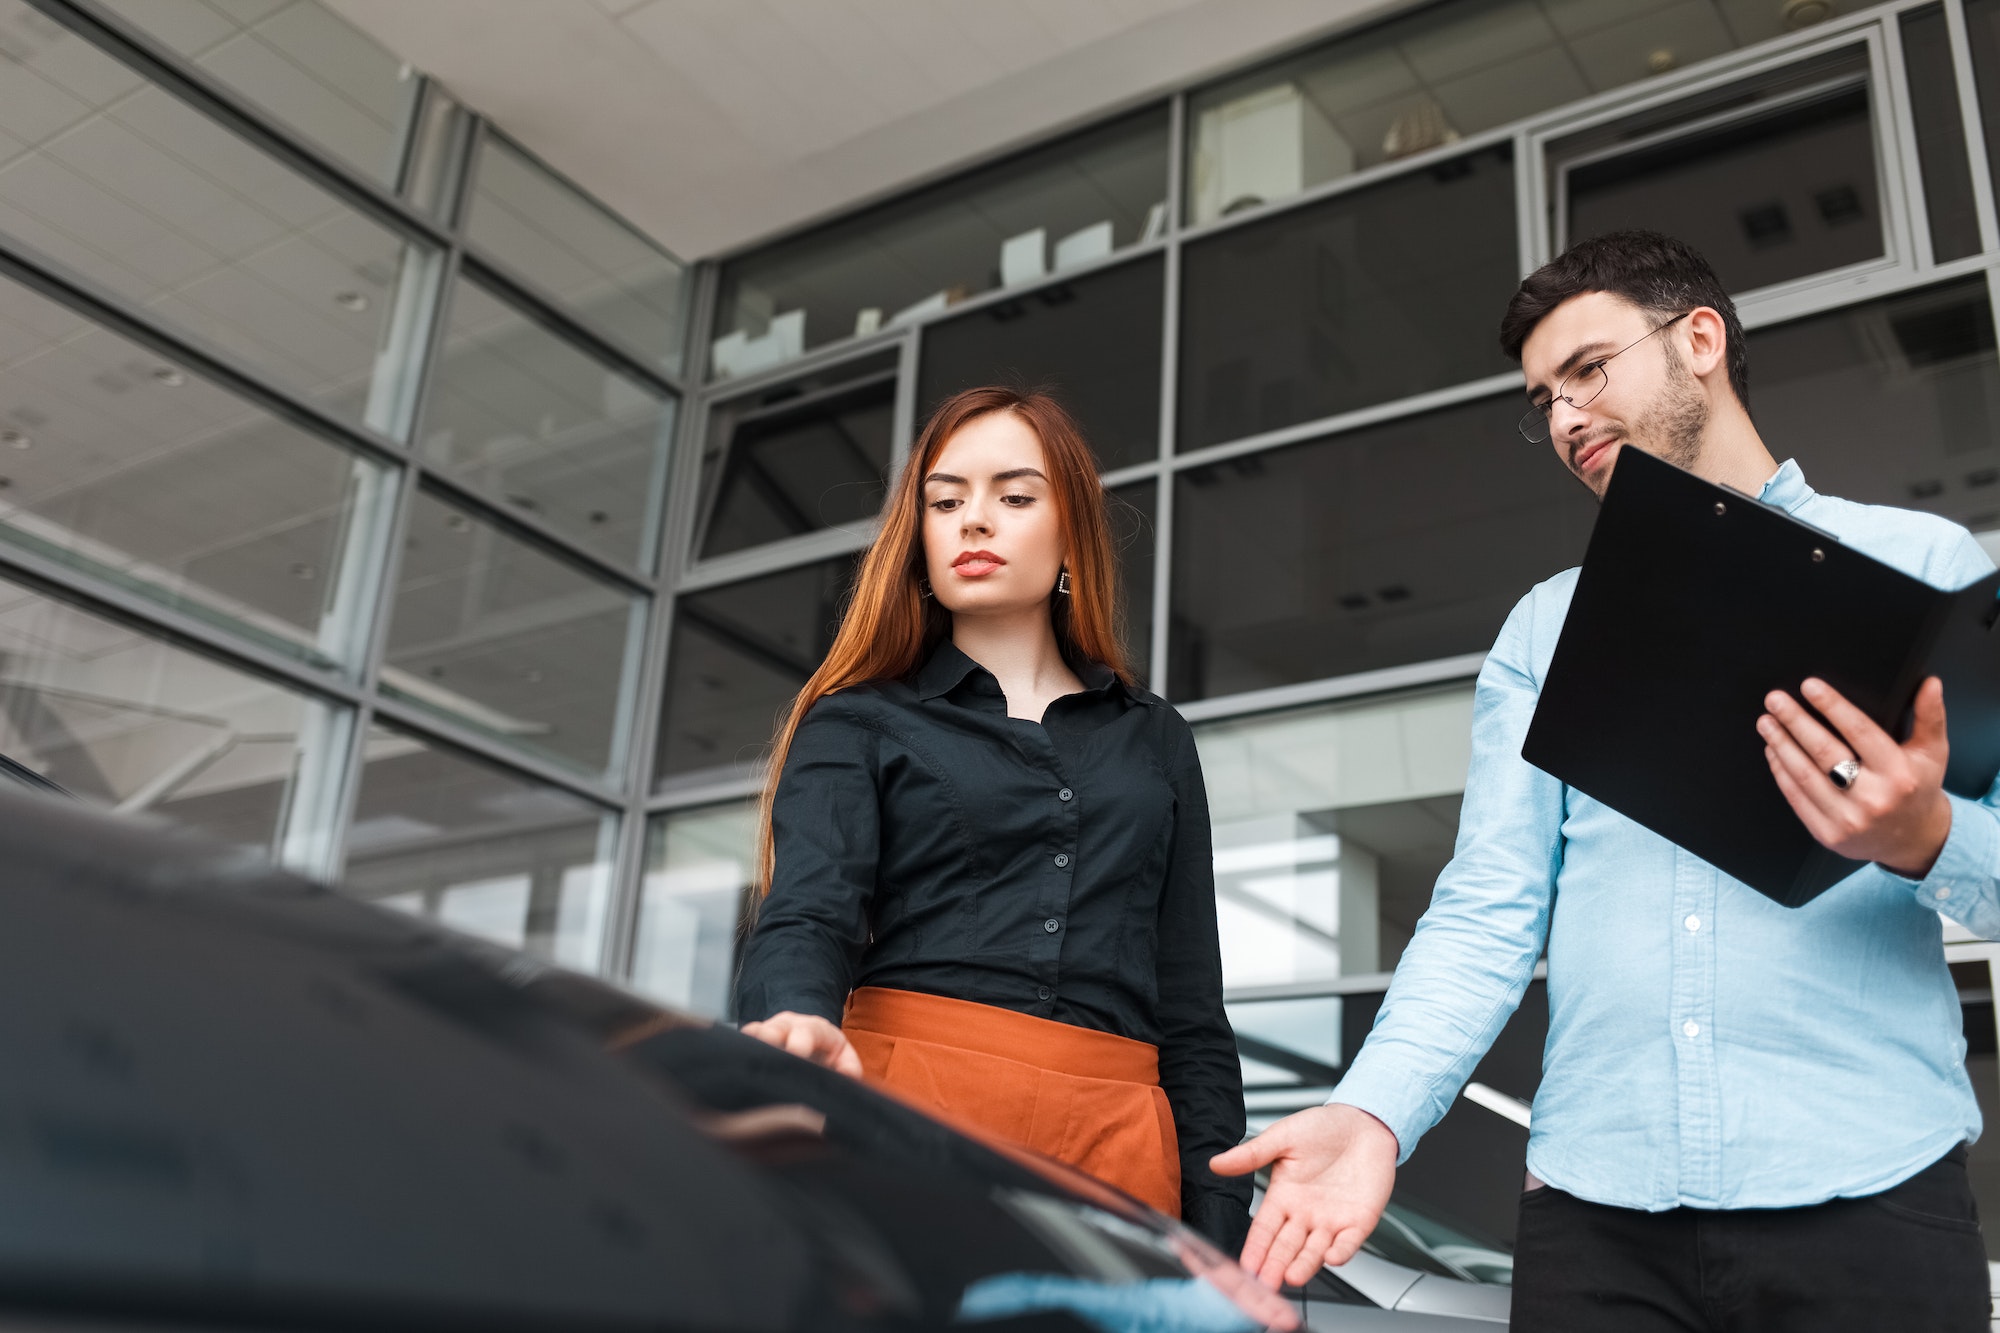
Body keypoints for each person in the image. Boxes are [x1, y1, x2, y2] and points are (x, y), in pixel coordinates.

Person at [1212, 231, 1997, 1330]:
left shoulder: (1924, 568)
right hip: (1598, 1224)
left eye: (1586, 370)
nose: (1564, 418)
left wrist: (1924, 834)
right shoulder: (1542, 628)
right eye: (1541, 399)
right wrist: (1374, 1113)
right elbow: (1487, 910)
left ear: (1699, 341)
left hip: (1870, 1198)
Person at [734, 385, 1251, 1250]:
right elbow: (809, 912)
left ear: (1071, 533)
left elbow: (1191, 998)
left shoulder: (1154, 736)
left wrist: (1219, 1213)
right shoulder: (857, 718)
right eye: (945, 501)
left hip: (1119, 1139)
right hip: (906, 1107)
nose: (974, 521)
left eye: (1013, 496)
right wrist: (795, 1013)